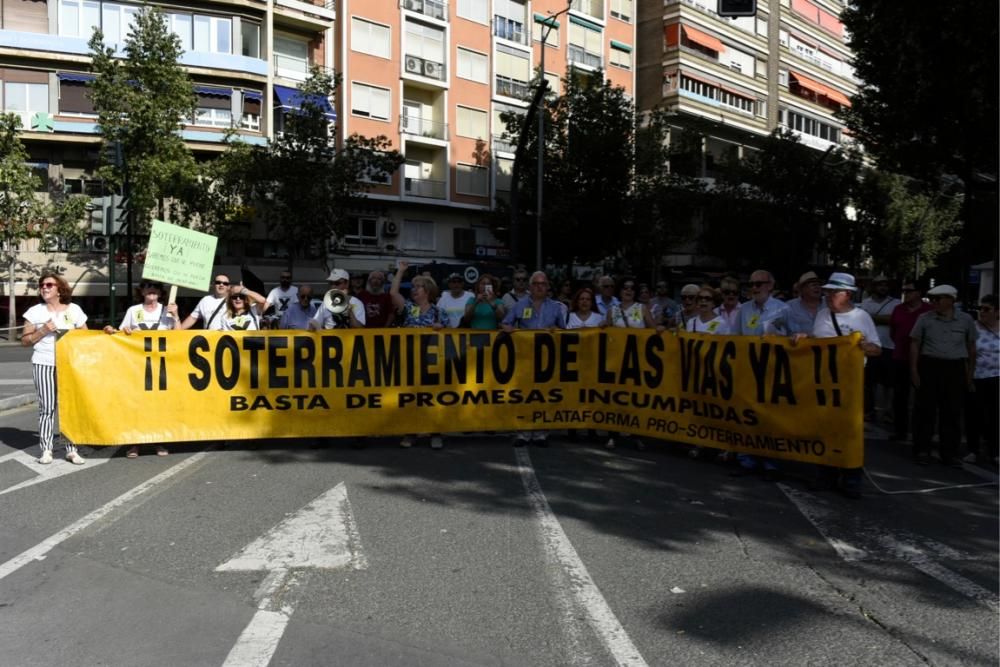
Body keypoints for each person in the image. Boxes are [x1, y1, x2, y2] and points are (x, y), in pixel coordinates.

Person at [810, 272, 882, 498]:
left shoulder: (861, 317)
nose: (828, 296)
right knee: (825, 428)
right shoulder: (822, 315)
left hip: (851, 384)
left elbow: (877, 349)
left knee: (850, 432)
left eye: (833, 292)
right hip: (824, 381)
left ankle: (851, 479)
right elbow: (815, 344)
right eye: (827, 291)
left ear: (848, 294)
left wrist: (863, 346)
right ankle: (826, 475)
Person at [102, 280, 177, 458]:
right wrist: (120, 331)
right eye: (147, 287)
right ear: (141, 291)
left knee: (158, 404)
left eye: (155, 288)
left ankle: (159, 440)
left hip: (161, 364)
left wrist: (176, 316)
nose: (151, 291)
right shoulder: (133, 311)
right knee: (137, 403)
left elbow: (178, 336)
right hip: (137, 364)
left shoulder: (167, 310)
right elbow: (120, 335)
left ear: (160, 293)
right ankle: (135, 443)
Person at [21, 272, 88, 465]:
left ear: (60, 289)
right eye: (42, 285)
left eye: (49, 285)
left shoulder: (74, 310)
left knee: (69, 407)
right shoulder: (35, 312)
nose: (45, 288)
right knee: (47, 408)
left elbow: (86, 337)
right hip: (43, 362)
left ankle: (71, 449)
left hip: (68, 365)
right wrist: (42, 331)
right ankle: (46, 449)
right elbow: (25, 341)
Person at [909, 284, 977, 466]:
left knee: (952, 412)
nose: (934, 303)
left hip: (955, 368)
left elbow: (971, 348)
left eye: (938, 299)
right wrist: (914, 370)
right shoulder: (925, 318)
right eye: (932, 299)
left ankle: (949, 453)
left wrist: (970, 374)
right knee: (925, 410)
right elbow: (915, 344)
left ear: (951, 300)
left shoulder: (966, 320)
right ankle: (922, 449)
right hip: (930, 365)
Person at [732, 269, 788, 479]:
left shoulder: (783, 309)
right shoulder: (744, 309)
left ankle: (770, 462)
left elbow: (795, 337)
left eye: (759, 284)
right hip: (748, 371)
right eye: (751, 284)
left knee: (770, 417)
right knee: (747, 416)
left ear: (770, 286)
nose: (754, 288)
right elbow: (735, 337)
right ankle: (746, 460)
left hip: (773, 371)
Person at [502, 271, 566, 446]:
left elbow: (564, 330)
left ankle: (540, 433)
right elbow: (506, 322)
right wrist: (507, 327)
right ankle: (523, 432)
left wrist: (557, 330)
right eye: (536, 284)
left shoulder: (556, 307)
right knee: (524, 395)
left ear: (547, 287)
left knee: (543, 395)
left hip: (547, 359)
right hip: (525, 357)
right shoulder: (520, 305)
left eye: (543, 284)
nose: (539, 287)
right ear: (530, 287)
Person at [390, 261, 446, 449]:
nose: (414, 290)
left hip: (432, 363)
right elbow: (393, 294)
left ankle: (435, 432)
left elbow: (453, 336)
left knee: (432, 398)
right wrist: (400, 271)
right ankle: (411, 433)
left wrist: (442, 328)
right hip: (410, 361)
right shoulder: (409, 308)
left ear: (428, 290)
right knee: (411, 398)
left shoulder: (439, 311)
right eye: (413, 287)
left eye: (418, 287)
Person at [606, 279, 655, 450]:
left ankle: (636, 435)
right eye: (625, 288)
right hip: (617, 360)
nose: (628, 291)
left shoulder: (642, 309)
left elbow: (653, 330)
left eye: (632, 288)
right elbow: (606, 332)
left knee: (636, 399)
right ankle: (612, 435)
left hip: (637, 361)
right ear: (620, 291)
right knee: (615, 399)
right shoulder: (612, 310)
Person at [888, 280, 933, 442]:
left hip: (923, 359)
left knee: (923, 398)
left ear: (919, 293)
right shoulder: (898, 309)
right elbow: (893, 332)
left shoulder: (929, 311)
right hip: (900, 357)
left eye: (909, 291)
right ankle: (900, 430)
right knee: (900, 397)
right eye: (904, 291)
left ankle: (921, 432)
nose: (905, 294)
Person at [860, 275, 901, 422]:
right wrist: (884, 318)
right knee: (869, 383)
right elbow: (862, 320)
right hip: (871, 347)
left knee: (889, 383)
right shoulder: (866, 302)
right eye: (880, 285)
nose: (883, 287)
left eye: (886, 285)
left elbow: (894, 320)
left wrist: (872, 318)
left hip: (890, 346)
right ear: (874, 286)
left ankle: (888, 411)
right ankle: (869, 411)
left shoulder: (896, 303)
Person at [964, 294, 999, 465]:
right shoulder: (973, 328)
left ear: (997, 312)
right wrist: (968, 378)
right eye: (980, 308)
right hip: (977, 377)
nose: (982, 312)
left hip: (997, 378)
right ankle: (973, 449)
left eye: (986, 309)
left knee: (995, 416)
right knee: (974, 415)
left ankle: (995, 451)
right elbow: (966, 354)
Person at [770, 271, 822, 335]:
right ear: (802, 289)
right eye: (813, 285)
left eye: (819, 284)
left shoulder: (829, 304)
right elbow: (775, 326)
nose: (817, 287)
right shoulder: (789, 307)